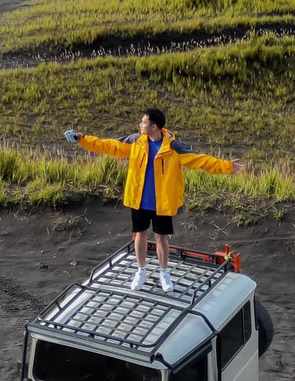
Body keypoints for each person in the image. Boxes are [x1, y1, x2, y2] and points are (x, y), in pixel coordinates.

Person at [65, 110, 243, 292]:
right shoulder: (136, 141)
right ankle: (141, 271)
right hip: (139, 200)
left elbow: (200, 160)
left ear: (154, 127)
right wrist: (83, 139)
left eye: (143, 122)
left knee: (161, 238)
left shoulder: (173, 148)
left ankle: (163, 272)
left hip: (162, 203)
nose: (140, 125)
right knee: (140, 235)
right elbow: (109, 146)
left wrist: (227, 166)